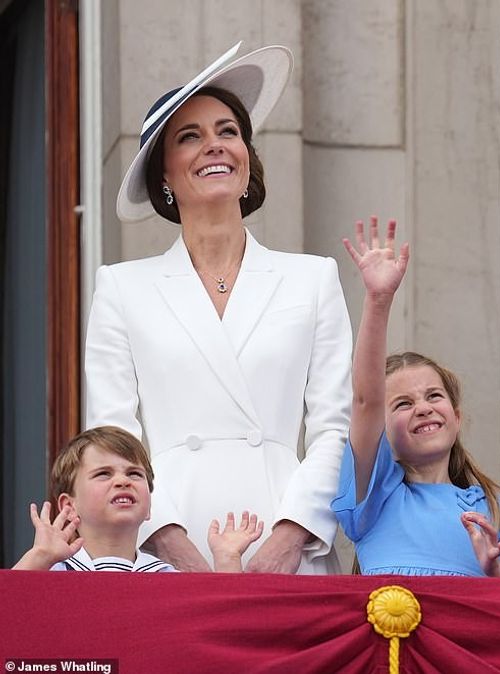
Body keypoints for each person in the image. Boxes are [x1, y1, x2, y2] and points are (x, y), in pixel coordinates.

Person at [85, 43, 352, 573]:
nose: (216, 146)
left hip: (285, 535)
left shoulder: (312, 277)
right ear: (163, 174)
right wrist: (169, 543)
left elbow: (335, 428)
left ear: (247, 157)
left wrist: (292, 534)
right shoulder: (121, 287)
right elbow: (112, 437)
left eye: (228, 132)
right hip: (163, 544)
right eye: (191, 136)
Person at [332, 218, 500, 577]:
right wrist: (378, 300)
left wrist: (494, 571)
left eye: (434, 396)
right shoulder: (376, 497)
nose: (423, 407)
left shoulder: (497, 508)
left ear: (457, 415)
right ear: (380, 433)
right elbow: (366, 400)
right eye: (403, 403)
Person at [12, 426, 262, 572]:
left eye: (134, 473)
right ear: (69, 506)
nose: (123, 481)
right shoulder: (52, 569)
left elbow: (219, 626)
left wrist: (228, 561)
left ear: (150, 506)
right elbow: (10, 615)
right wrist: (39, 556)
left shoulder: (167, 577)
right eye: (103, 474)